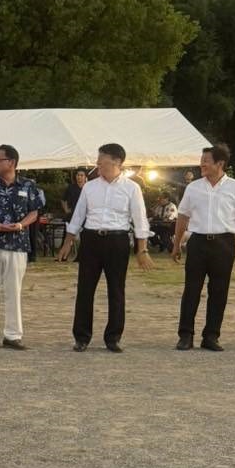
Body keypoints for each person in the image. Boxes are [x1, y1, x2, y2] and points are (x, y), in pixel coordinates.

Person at [58, 143, 152, 352]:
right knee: (85, 289)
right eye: (98, 159)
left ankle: (113, 337)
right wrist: (68, 242)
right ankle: (82, 337)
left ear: (117, 162)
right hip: (91, 240)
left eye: (102, 159)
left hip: (117, 241)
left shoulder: (131, 188)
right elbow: (78, 215)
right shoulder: (90, 187)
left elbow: (140, 220)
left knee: (116, 290)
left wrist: (142, 249)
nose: (98, 163)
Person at [172, 144, 235, 351]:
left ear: (220, 163)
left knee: (219, 291)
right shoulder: (194, 187)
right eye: (202, 160)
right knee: (191, 289)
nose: (202, 164)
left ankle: (211, 336)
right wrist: (176, 244)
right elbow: (183, 217)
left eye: (206, 161)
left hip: (224, 243)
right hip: (198, 242)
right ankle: (185, 335)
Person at [0, 145, 45, 351]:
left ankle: (13, 335)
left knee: (14, 290)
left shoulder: (29, 185)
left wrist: (21, 224)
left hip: (17, 244)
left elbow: (35, 212)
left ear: (11, 162)